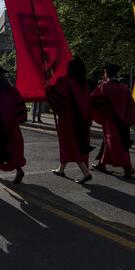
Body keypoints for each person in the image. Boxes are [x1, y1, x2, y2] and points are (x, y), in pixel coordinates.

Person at [46, 55, 94, 183]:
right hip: (82, 120)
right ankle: (61, 169)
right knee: (72, 143)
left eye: (68, 67)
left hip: (68, 118)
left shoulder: (66, 82)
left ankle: (85, 172)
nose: (66, 69)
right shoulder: (83, 83)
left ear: (72, 69)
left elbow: (57, 96)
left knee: (70, 144)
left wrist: (48, 83)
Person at [90, 62, 135, 179]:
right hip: (124, 121)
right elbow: (131, 105)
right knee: (112, 142)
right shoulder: (124, 88)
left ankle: (128, 168)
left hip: (111, 120)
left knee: (116, 144)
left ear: (106, 73)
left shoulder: (104, 86)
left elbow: (93, 101)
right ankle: (101, 164)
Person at [0, 66, 27, 183]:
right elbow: (21, 111)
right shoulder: (13, 91)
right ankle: (19, 170)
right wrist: (20, 119)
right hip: (12, 127)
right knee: (14, 149)